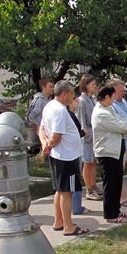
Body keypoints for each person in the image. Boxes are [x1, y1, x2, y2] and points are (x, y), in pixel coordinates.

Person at [39, 80, 89, 236]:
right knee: (67, 192)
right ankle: (69, 226)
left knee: (60, 191)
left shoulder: (49, 106)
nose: (74, 96)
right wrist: (47, 145)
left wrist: (44, 144)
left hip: (59, 156)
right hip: (67, 158)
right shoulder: (60, 111)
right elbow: (56, 136)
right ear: (64, 93)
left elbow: (41, 129)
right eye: (72, 93)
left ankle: (59, 221)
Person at [92, 85, 127, 223]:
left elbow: (125, 120)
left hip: (116, 150)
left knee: (117, 182)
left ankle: (116, 210)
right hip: (108, 152)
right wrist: (125, 125)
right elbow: (123, 126)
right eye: (112, 97)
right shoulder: (101, 113)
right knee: (110, 184)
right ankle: (111, 215)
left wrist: (125, 124)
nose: (114, 100)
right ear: (106, 97)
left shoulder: (109, 108)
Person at [76, 74, 103, 201]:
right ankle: (88, 189)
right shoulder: (81, 101)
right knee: (87, 162)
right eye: (92, 84)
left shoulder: (92, 99)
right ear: (86, 85)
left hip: (94, 133)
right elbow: (81, 120)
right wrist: (84, 133)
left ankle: (93, 185)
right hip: (87, 135)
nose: (95, 86)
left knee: (92, 162)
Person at [67, 95, 87, 215]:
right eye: (74, 99)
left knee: (75, 181)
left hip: (74, 151)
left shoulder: (71, 115)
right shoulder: (69, 115)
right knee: (74, 182)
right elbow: (74, 134)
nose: (77, 102)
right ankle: (76, 207)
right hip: (72, 154)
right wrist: (83, 132)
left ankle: (77, 206)